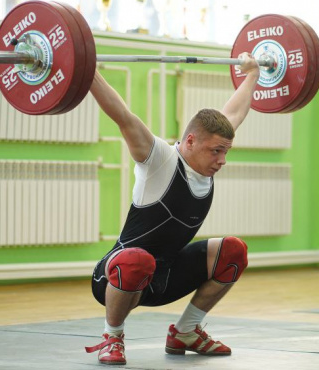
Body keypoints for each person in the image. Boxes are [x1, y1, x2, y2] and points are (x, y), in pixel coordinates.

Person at [84, 52, 261, 365]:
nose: (222, 160)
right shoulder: (160, 160)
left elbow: (233, 113)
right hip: (117, 277)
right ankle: (112, 336)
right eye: (217, 151)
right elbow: (122, 115)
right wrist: (86, 70)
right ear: (190, 141)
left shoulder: (208, 154)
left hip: (164, 278)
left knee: (233, 251)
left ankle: (186, 331)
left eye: (226, 151)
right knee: (138, 260)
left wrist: (252, 75)